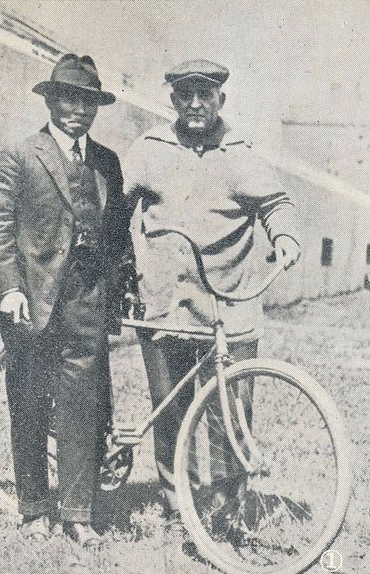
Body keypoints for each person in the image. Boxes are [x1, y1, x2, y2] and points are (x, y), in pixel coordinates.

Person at [123, 59, 301, 537]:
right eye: (185, 95)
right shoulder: (149, 149)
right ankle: (174, 502)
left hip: (228, 305)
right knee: (169, 406)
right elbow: (112, 208)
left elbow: (277, 205)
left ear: (221, 98)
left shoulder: (241, 152)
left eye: (205, 95)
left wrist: (285, 238)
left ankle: (224, 512)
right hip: (164, 304)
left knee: (229, 412)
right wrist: (121, 262)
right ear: (174, 100)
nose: (195, 104)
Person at [0, 54, 130, 547]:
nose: (77, 110)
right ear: (49, 101)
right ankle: (34, 507)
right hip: (31, 300)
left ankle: (77, 514)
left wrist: (120, 287)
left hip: (87, 298)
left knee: (80, 406)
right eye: (67, 99)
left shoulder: (106, 161)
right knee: (28, 401)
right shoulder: (20, 155)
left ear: (95, 108)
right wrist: (9, 289)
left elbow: (117, 234)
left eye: (87, 102)